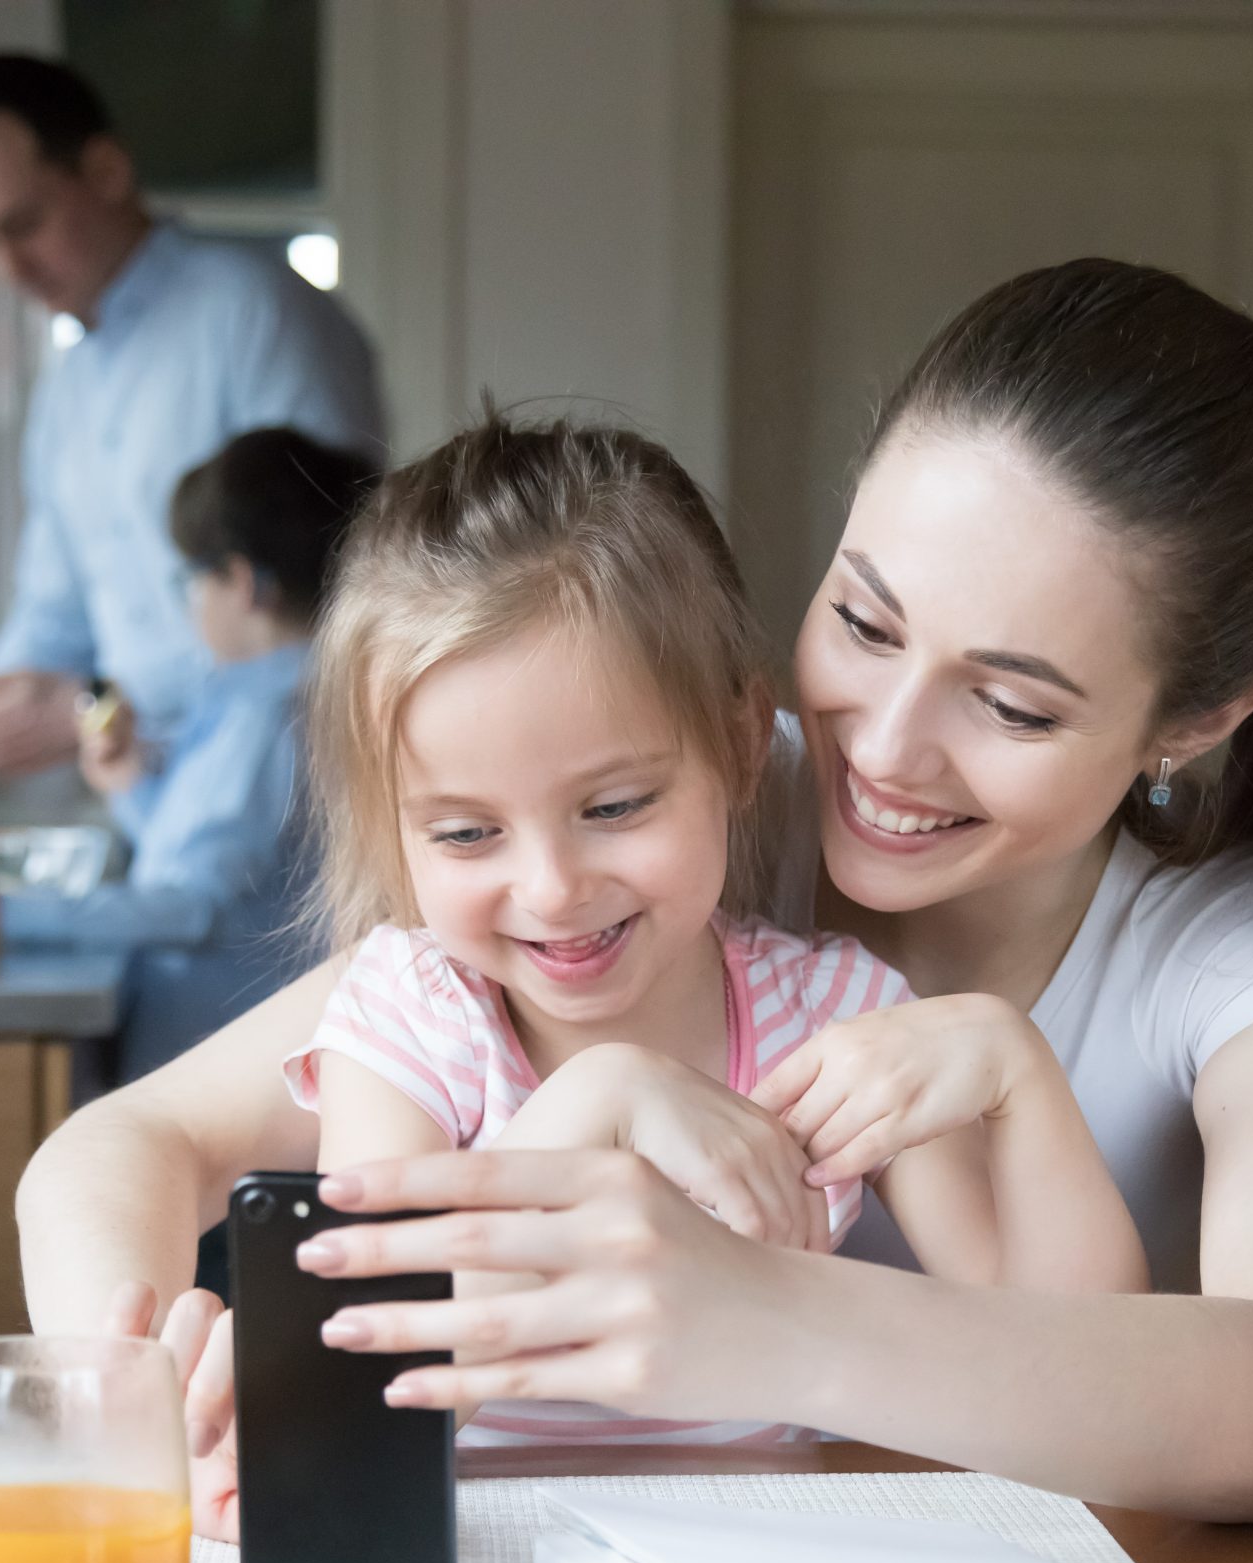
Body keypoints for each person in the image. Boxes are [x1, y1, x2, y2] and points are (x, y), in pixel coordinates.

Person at [19, 260, 1253, 1526]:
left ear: (1197, 721)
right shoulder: (657, 819)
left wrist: (761, 1311)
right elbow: (122, 1145)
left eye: (1011, 703)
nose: (884, 746)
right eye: (864, 622)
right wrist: (128, 1374)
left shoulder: (1234, 968)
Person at [278, 417, 1142, 1465]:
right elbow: (348, 1409)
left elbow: (1080, 1391)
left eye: (616, 807)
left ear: (738, 746)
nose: (551, 890)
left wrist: (1018, 1070)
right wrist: (600, 1106)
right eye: (466, 833)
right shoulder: (414, 1018)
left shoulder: (829, 1020)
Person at [0, 54, 382, 785]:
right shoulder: (67, 390)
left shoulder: (256, 316)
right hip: (149, 820)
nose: (8, 269)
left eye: (23, 224)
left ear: (107, 170)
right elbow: (54, 609)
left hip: (280, 817)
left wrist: (92, 707)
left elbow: (335, 588)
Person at [0, 428, 373, 958]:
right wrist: (130, 783)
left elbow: (190, 908)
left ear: (242, 583)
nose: (192, 605)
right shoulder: (264, 703)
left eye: (195, 582)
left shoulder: (265, 720)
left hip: (211, 1025)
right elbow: (194, 854)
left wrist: (4, 912)